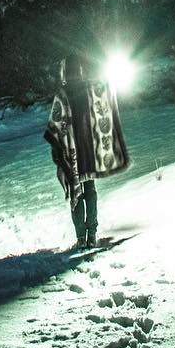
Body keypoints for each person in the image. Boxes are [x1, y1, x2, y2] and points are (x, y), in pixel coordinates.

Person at [43, 49, 129, 249]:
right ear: (81, 70)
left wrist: (59, 151)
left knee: (77, 192)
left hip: (70, 152)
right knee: (90, 189)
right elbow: (104, 108)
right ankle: (92, 234)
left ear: (65, 72)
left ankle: (81, 237)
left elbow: (55, 126)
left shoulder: (62, 95)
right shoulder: (91, 89)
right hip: (88, 149)